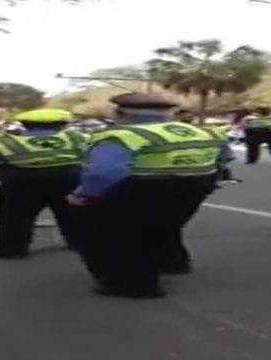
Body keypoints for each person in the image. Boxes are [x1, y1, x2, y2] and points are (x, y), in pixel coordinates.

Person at [67, 92, 229, 298]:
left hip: (142, 190)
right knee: (166, 226)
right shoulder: (204, 132)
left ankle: (132, 284)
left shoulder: (121, 136)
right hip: (195, 186)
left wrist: (84, 195)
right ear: (171, 112)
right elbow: (224, 157)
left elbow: (104, 172)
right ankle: (173, 263)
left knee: (111, 236)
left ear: (120, 113)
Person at [0, 108, 87, 259]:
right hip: (68, 182)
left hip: (21, 186)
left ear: (24, 124)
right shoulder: (76, 138)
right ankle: (79, 243)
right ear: (62, 124)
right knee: (72, 215)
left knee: (15, 218)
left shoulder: (5, 142)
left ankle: (12, 250)